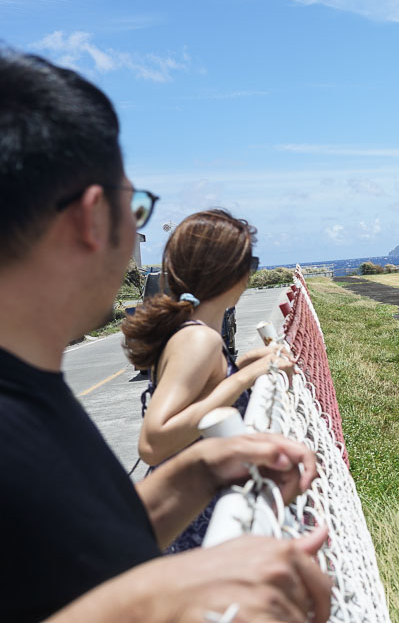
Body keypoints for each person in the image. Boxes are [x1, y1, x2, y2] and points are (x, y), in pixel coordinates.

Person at [0, 48, 332, 622]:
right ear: (92, 217)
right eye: (138, 209)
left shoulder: (33, 388)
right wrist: (159, 596)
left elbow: (73, 560)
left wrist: (202, 472)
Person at [125, 208, 296, 551]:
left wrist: (242, 364)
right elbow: (153, 443)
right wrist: (246, 376)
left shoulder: (196, 334)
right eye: (251, 264)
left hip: (196, 519)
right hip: (197, 532)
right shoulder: (198, 340)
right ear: (230, 272)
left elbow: (200, 391)